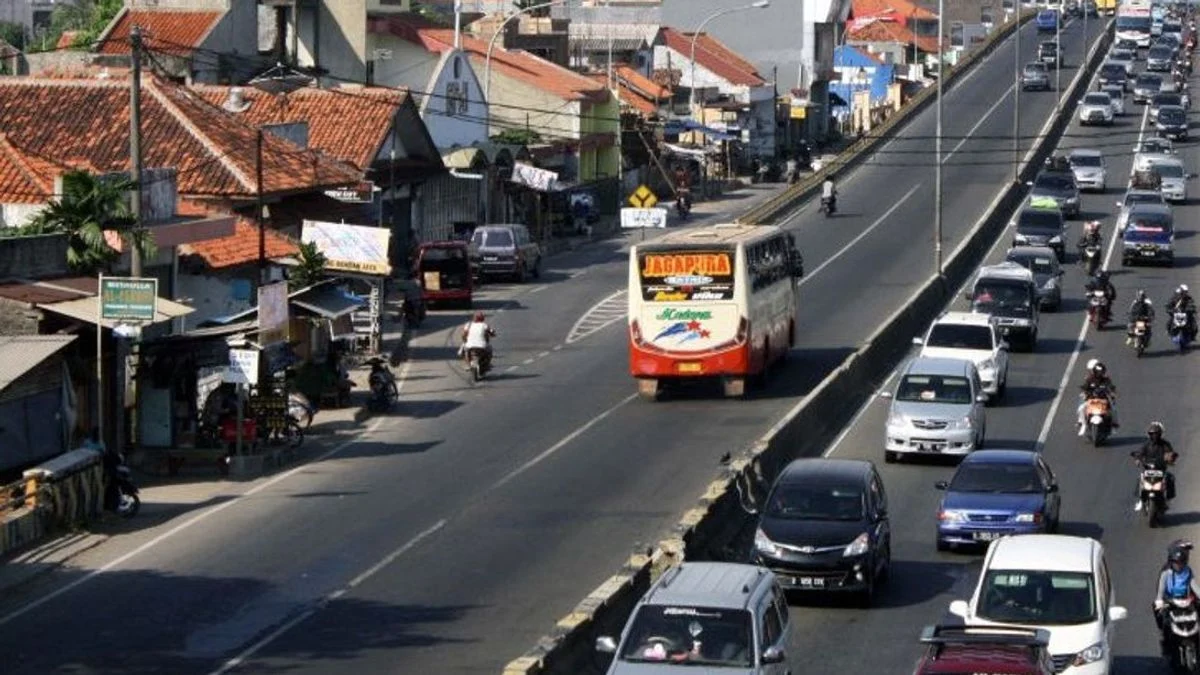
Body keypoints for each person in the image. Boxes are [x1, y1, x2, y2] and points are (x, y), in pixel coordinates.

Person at [1153, 543, 1200, 645]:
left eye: (1181, 562)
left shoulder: (1188, 571)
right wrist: (1159, 600)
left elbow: (1194, 586)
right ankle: (1166, 638)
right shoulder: (1166, 572)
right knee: (1160, 614)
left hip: (1185, 600)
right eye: (1176, 563)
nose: (1179, 565)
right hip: (1170, 600)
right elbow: (1161, 589)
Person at [1133, 421, 1178, 510]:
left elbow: (1170, 453)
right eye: (1152, 434)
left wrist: (1170, 458)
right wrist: (1137, 459)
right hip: (1148, 469)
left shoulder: (1165, 444)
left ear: (1160, 434)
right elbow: (1140, 453)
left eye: (1156, 434)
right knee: (1141, 479)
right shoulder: (1146, 444)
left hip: (1160, 469)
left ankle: (1167, 501)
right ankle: (1141, 501)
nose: (1154, 436)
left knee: (1170, 478)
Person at [1077, 359, 1119, 435]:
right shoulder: (1089, 379)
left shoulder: (1106, 379)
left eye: (1101, 372)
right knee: (1081, 408)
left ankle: (1114, 425)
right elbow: (1085, 387)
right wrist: (1084, 392)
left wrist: (1113, 393)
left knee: (1113, 409)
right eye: (1098, 372)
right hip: (1091, 399)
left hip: (1104, 399)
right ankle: (1083, 424)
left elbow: (1111, 387)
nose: (1099, 374)